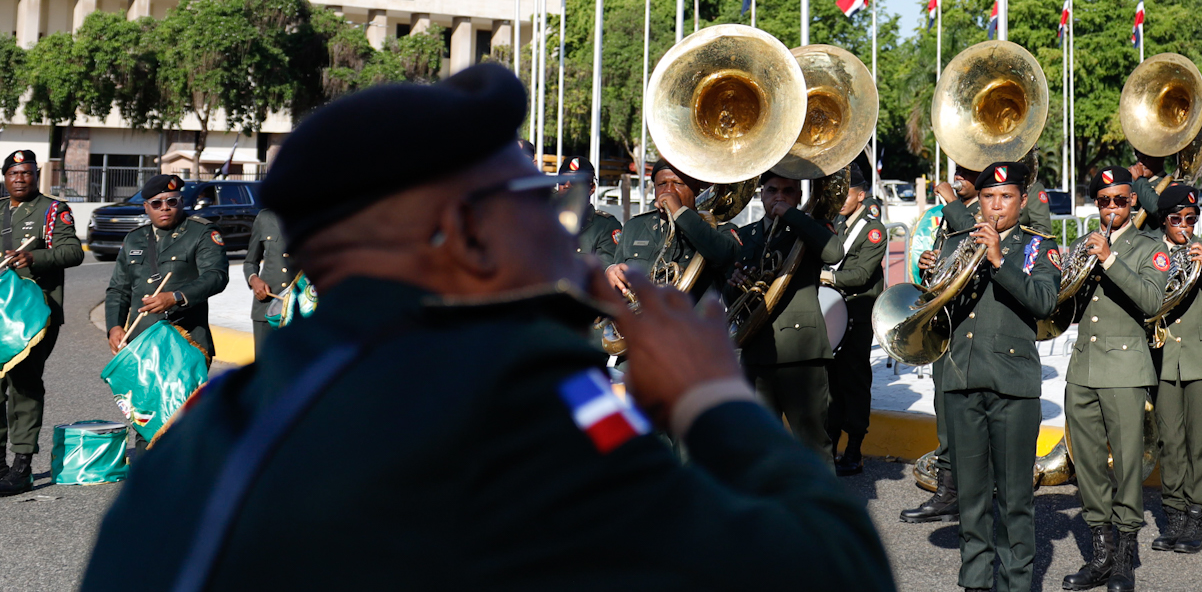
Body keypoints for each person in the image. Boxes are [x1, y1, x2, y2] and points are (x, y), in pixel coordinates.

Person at [80, 62, 893, 592]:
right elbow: (831, 570)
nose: (559, 221)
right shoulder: (524, 404)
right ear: (470, 235)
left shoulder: (216, 425)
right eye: (535, 203)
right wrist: (714, 399)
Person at [930, 162, 1059, 592]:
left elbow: (1045, 302)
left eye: (1006, 197)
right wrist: (934, 279)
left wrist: (1000, 260)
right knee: (970, 498)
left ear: (1023, 201)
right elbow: (938, 314)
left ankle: (1014, 583)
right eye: (988, 197)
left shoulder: (1039, 246)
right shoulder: (957, 242)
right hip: (962, 379)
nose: (996, 206)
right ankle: (975, 581)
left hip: (1012, 385)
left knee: (1015, 501)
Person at [1060, 166, 1169, 592]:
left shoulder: (1149, 247)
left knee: (1126, 465)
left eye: (1120, 200)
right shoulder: (1081, 243)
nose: (1111, 207)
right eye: (1104, 200)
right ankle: (1101, 553)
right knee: (1087, 465)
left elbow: (1152, 300)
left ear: (1133, 202)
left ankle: (1125, 555)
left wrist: (1109, 259)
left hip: (1125, 368)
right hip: (1083, 369)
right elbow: (1065, 307)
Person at [1148, 183, 1202, 556]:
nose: (1184, 225)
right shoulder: (1151, 253)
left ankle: (1197, 515)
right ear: (1163, 221)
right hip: (1165, 358)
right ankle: (1174, 514)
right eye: (1177, 219)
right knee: (1169, 442)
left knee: (1199, 442)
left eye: (1191, 218)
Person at [730, 172, 836, 460]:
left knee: (813, 444)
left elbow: (834, 252)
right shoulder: (746, 235)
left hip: (801, 351)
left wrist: (792, 215)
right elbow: (732, 296)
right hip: (757, 349)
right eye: (772, 190)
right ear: (761, 194)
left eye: (788, 191)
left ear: (799, 196)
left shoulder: (811, 228)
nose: (779, 196)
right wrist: (735, 284)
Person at [902, 165, 982, 525]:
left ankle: (974, 494)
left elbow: (979, 244)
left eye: (967, 171)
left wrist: (951, 204)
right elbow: (947, 262)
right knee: (945, 409)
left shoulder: (984, 210)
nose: (958, 176)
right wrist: (927, 265)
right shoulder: (951, 215)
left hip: (973, 327)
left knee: (971, 413)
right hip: (945, 324)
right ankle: (948, 492)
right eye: (957, 170)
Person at [0, 149, 82, 496]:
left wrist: (34, 257)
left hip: (34, 317)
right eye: (14, 173)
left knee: (24, 386)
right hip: (0, 314)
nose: (20, 178)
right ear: (5, 177)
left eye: (27, 172)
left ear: (36, 176)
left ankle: (22, 467)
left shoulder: (52, 210)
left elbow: (73, 252)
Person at [104, 173, 228, 359]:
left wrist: (176, 297)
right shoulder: (134, 238)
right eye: (156, 203)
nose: (164, 207)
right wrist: (115, 327)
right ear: (146, 207)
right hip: (141, 342)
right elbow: (119, 289)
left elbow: (216, 275)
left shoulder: (201, 232)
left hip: (185, 340)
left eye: (172, 201)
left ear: (181, 202)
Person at [824, 163, 887, 475]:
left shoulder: (873, 230)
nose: (839, 199)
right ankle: (829, 447)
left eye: (845, 193)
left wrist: (827, 276)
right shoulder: (837, 221)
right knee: (831, 384)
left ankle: (854, 449)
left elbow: (861, 274)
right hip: (834, 313)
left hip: (857, 315)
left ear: (861, 195)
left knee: (855, 383)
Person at [609, 160, 740, 299]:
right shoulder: (634, 227)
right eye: (662, 184)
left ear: (696, 188)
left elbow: (727, 257)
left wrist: (679, 213)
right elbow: (619, 277)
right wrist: (612, 273)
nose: (669, 191)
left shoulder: (719, 230)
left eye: (678, 183)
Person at [245, 203, 296, 357]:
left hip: (301, 306)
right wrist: (254, 279)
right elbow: (250, 262)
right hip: (267, 305)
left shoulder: (317, 214)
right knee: (265, 364)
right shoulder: (265, 217)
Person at [565, 157, 623, 260]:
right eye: (562, 181)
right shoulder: (545, 222)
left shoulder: (606, 226)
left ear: (592, 188)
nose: (566, 185)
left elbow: (605, 267)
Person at [1126, 154, 1161, 225]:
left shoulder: (1172, 185)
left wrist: (1140, 180)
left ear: (1160, 160)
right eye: (1139, 159)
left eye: (1146, 159)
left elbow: (1155, 207)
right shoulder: (1133, 184)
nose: (1140, 163)